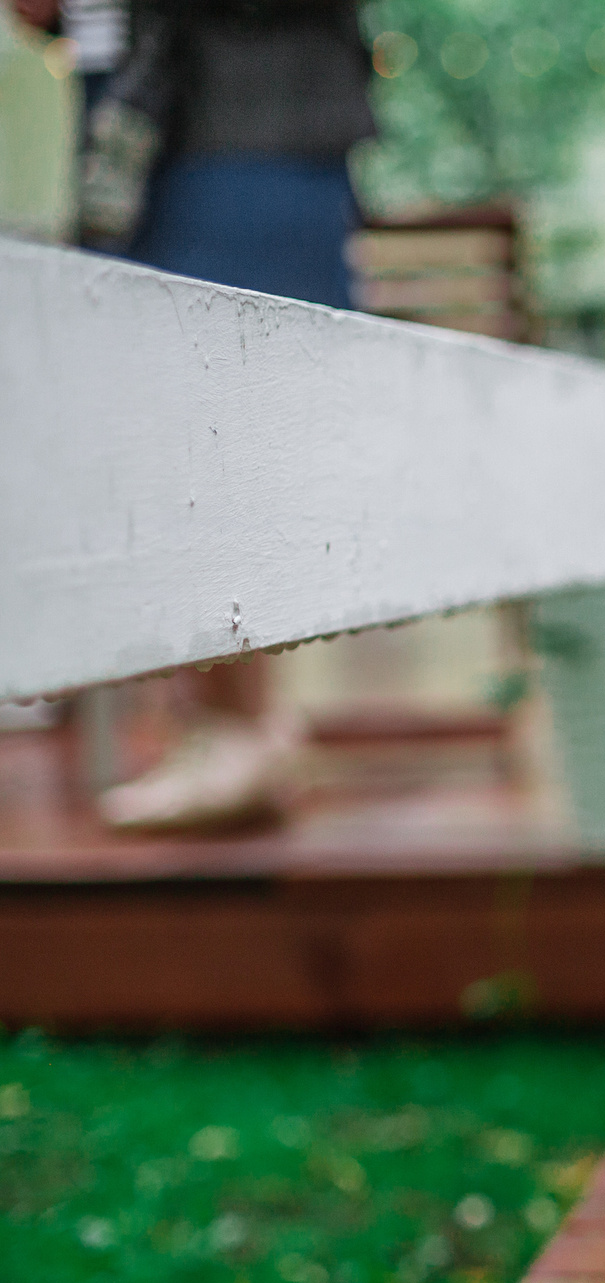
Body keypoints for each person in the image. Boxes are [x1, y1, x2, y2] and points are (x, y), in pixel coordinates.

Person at [78, 0, 376, 831]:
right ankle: (231, 722)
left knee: (222, 429)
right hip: (161, 124)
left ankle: (237, 727)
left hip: (245, 133)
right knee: (180, 435)